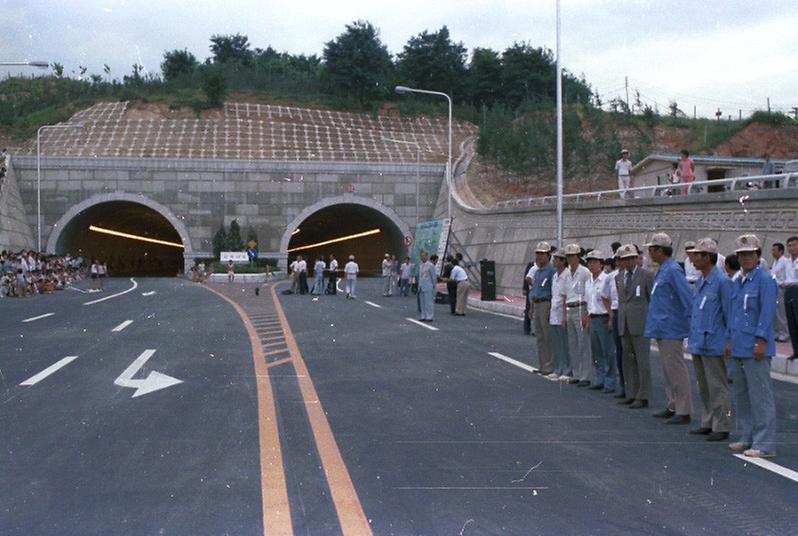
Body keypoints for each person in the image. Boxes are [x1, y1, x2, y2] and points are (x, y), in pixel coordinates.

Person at [727, 234, 778, 458]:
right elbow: (734, 314)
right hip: (739, 344)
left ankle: (764, 443)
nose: (746, 258)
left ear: (758, 256)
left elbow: (766, 314)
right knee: (741, 395)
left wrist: (761, 340)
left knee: (760, 396)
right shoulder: (738, 281)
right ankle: (746, 436)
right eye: (742, 255)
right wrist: (729, 339)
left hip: (755, 346)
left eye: (750, 254)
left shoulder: (765, 280)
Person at [644, 232, 694, 425]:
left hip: (671, 327)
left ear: (659, 250)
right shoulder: (663, 270)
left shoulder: (673, 270)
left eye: (652, 249)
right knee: (667, 370)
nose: (650, 253)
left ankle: (683, 409)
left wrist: (691, 323)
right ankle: (673, 403)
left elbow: (686, 297)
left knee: (676, 369)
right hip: (661, 327)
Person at [687, 238, 732, 442]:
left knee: (717, 385)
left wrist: (728, 341)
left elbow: (728, 313)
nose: (693, 258)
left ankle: (721, 425)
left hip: (714, 340)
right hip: (699, 340)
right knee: (703, 385)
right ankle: (707, 421)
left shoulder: (721, 282)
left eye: (697, 255)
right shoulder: (701, 281)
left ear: (707, 258)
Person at [615, 244, 654, 408]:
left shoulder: (646, 276)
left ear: (637, 258)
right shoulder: (619, 277)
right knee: (628, 360)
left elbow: (652, 300)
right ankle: (631, 392)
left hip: (640, 324)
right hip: (624, 323)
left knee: (642, 361)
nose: (629, 262)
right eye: (625, 259)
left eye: (632, 258)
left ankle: (643, 395)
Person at [585, 249, 617, 393]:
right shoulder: (588, 281)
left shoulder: (607, 279)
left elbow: (611, 300)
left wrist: (611, 318)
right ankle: (600, 378)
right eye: (589, 262)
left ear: (601, 264)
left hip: (604, 318)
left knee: (608, 351)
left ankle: (610, 382)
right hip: (593, 318)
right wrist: (587, 317)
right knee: (596, 351)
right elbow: (589, 302)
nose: (591, 265)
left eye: (594, 262)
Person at [561, 243, 592, 386]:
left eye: (572, 256)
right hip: (570, 308)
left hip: (581, 307)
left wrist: (587, 312)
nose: (570, 259)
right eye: (568, 256)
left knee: (583, 343)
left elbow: (589, 293)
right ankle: (576, 373)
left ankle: (585, 376)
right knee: (572, 343)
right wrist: (564, 314)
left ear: (578, 257)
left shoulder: (585, 272)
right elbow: (565, 295)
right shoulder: (566, 273)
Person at [528, 242, 556, 376]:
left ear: (548, 255)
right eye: (537, 254)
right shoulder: (538, 271)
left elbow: (553, 291)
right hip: (537, 304)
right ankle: (542, 365)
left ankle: (549, 366)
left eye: (541, 254)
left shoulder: (551, 271)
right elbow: (535, 290)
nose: (538, 257)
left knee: (547, 336)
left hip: (546, 304)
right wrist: (531, 307)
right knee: (539, 336)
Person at [550, 250, 572, 381]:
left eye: (557, 259)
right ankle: (558, 368)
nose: (554, 261)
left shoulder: (567, 275)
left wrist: (565, 315)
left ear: (563, 261)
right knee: (557, 343)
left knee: (565, 343)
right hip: (554, 311)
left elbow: (565, 297)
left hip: (562, 311)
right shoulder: (555, 276)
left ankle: (567, 369)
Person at [770, 242, 790, 342]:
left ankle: (785, 333)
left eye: (774, 250)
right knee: (775, 312)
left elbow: (788, 276)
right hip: (773, 288)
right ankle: (777, 332)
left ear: (781, 251)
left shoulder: (786, 262)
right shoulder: (775, 262)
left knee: (781, 313)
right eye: (772, 250)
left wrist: (783, 284)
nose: (772, 252)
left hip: (781, 289)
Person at [784, 236, 798, 360]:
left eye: (794, 245)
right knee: (791, 321)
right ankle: (796, 351)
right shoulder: (787, 262)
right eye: (789, 245)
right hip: (788, 290)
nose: (792, 248)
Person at [417, 251, 437, 322]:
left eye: (423, 256)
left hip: (428, 286)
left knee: (428, 302)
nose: (422, 257)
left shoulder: (430, 265)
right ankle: (423, 315)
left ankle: (429, 316)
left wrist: (434, 286)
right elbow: (420, 276)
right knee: (422, 303)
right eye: (421, 256)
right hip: (421, 286)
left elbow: (434, 277)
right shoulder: (420, 265)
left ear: (427, 256)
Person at [522, 259, 537, 336]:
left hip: (538, 291)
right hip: (531, 290)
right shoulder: (532, 265)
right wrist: (525, 288)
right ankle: (527, 328)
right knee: (529, 308)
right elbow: (526, 277)